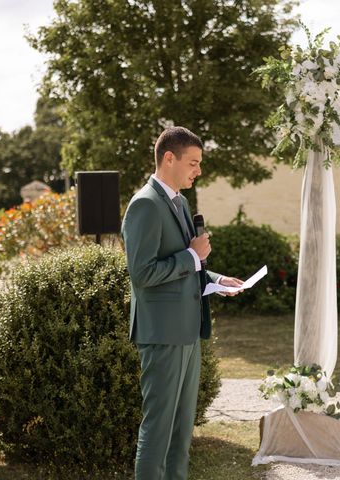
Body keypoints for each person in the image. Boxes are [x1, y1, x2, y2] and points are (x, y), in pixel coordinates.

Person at [121, 126, 243, 480]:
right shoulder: (144, 204)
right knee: (158, 432)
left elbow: (184, 265)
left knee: (181, 433)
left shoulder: (179, 201)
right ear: (169, 158)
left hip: (188, 331)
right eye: (193, 163)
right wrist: (192, 255)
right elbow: (142, 274)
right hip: (162, 334)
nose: (198, 171)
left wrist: (217, 281)